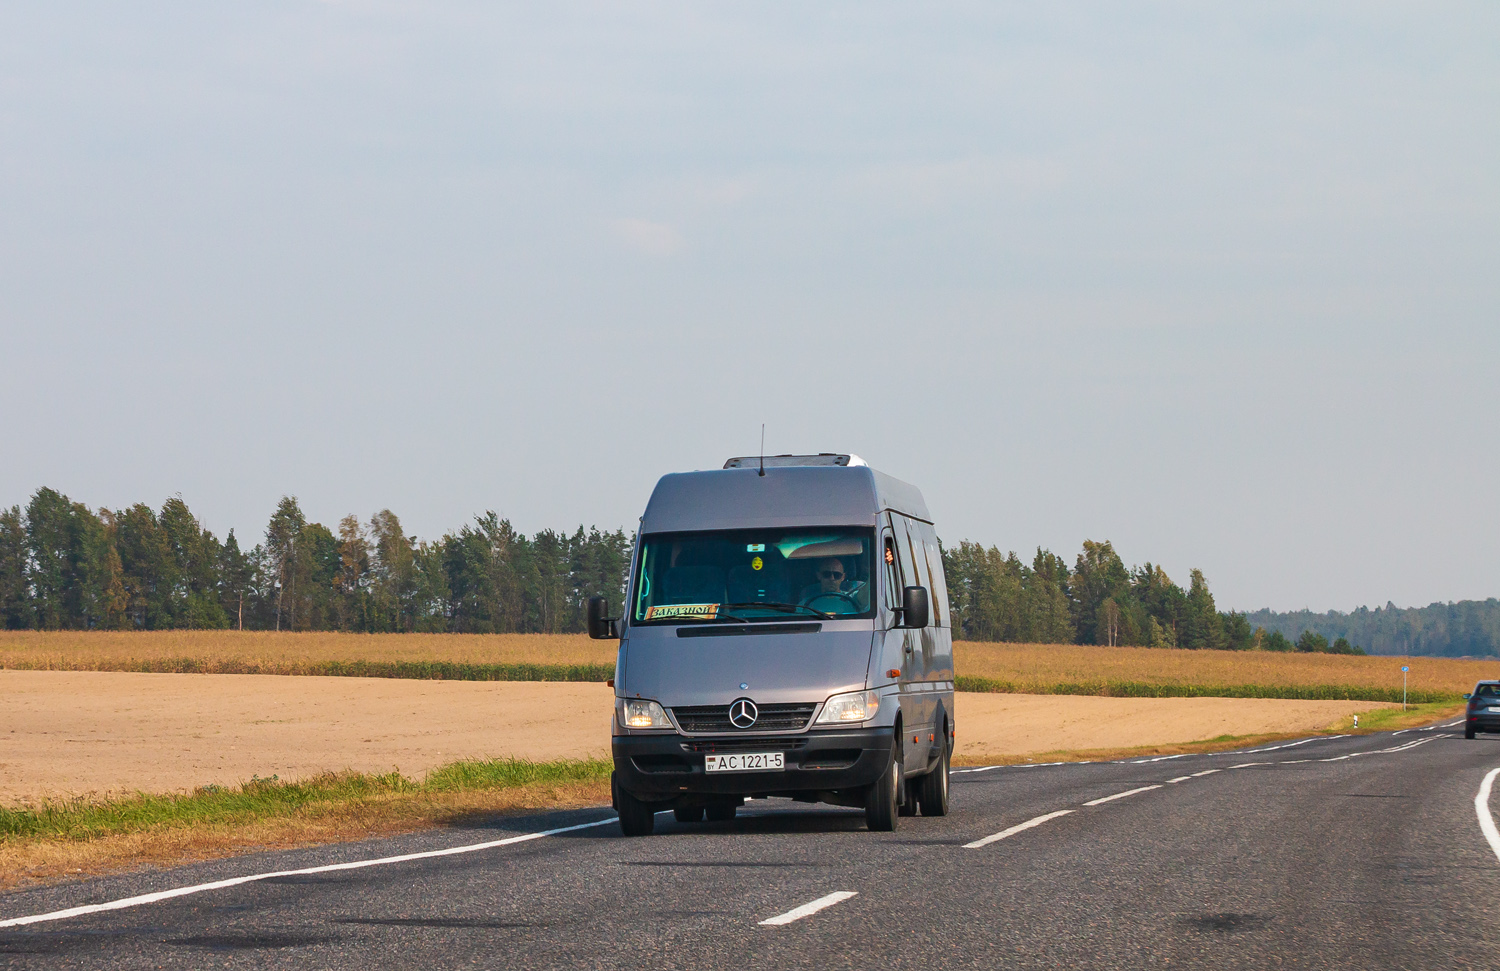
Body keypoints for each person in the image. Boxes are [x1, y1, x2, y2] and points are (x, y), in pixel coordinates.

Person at [798, 557, 867, 611]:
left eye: (837, 575)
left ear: (843, 577)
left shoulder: (853, 598)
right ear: (819, 575)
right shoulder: (806, 604)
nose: (832, 578)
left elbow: (866, 595)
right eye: (827, 574)